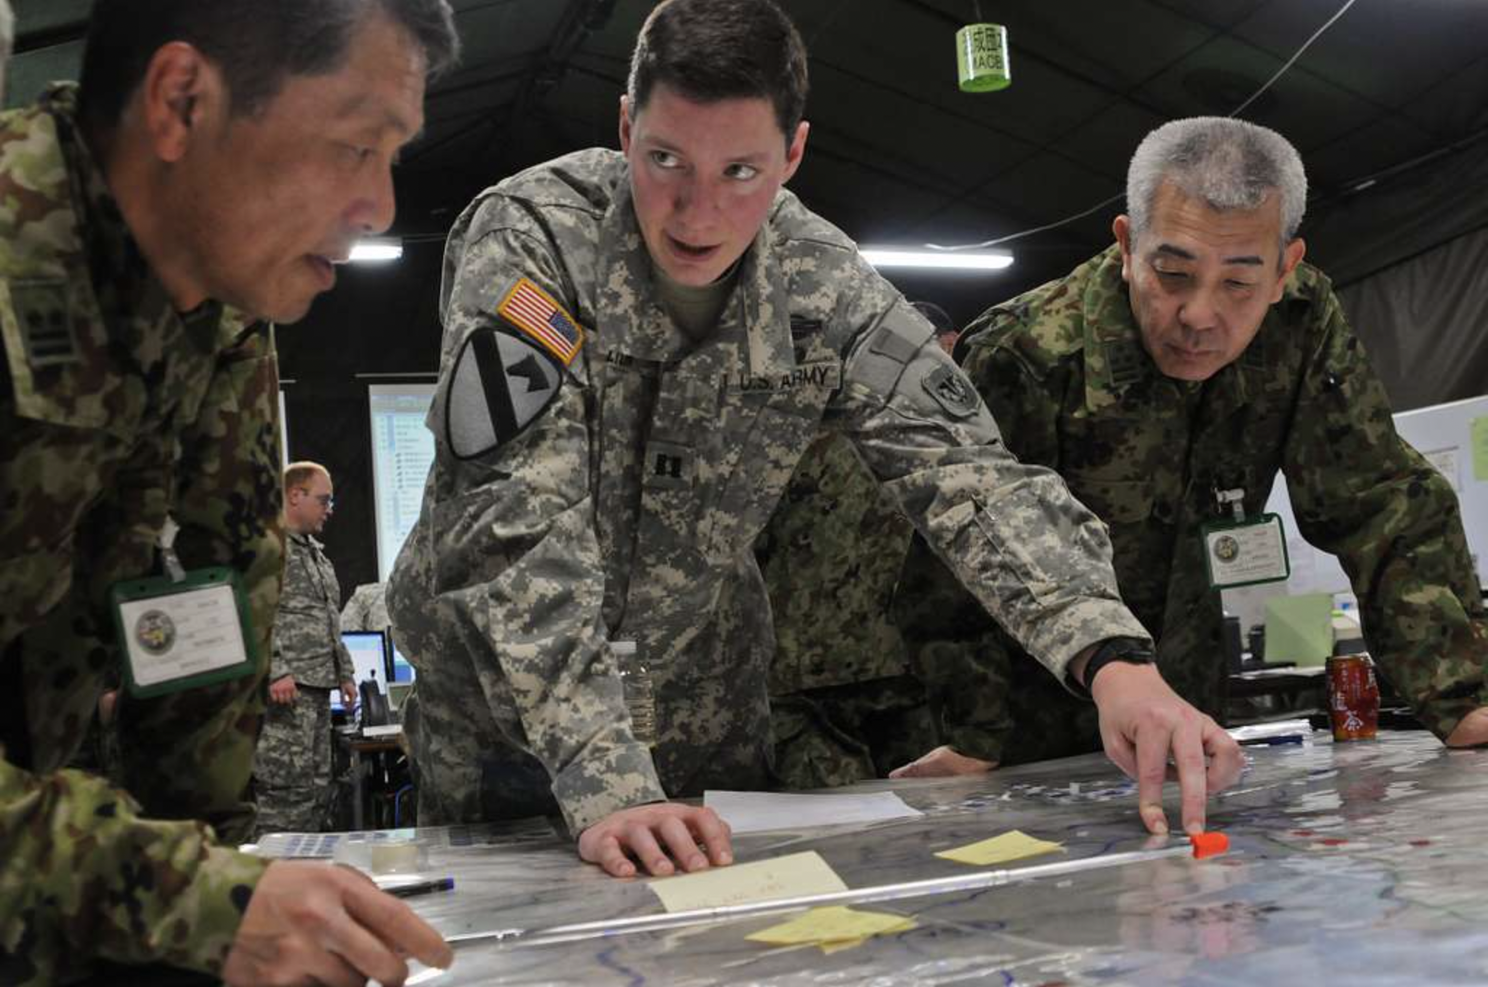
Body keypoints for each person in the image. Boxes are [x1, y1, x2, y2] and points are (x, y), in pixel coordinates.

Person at [389, 0, 1242, 884]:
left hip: (702, 717)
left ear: (793, 154)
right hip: (507, 719)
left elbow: (970, 473)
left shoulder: (822, 285)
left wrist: (1112, 656)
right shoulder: (536, 239)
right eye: (666, 159)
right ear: (624, 127)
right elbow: (512, 519)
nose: (697, 210)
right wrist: (607, 780)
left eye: (742, 170)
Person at [0, 2, 459, 984]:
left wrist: (227, 900)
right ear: (181, 103)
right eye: (353, 146)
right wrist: (194, 902)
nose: (379, 205)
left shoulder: (220, 317)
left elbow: (204, 642)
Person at [893, 116, 1488, 781]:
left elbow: (1380, 501)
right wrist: (974, 733)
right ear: (1126, 245)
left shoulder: (1299, 323)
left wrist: (1460, 695)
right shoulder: (1029, 353)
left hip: (1190, 721)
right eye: (1172, 273)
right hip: (1024, 734)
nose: (1200, 315)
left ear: (1285, 268)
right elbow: (956, 552)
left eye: (1238, 283)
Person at [756, 430, 932, 789]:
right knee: (834, 827)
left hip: (903, 673)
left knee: (927, 818)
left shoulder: (910, 425)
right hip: (803, 690)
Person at [254, 462, 358, 835]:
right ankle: (275, 877)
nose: (329, 509)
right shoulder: (269, 548)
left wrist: (344, 674)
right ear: (295, 495)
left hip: (317, 691)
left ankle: (308, 874)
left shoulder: (316, 555)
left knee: (318, 789)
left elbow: (330, 619)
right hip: (287, 692)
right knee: (285, 792)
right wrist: (276, 668)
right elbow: (255, 611)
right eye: (323, 499)